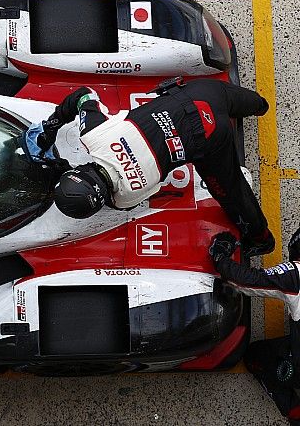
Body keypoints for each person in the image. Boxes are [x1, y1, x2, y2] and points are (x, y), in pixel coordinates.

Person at [26, 77, 274, 257]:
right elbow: (83, 94)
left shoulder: (126, 197)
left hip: (209, 137)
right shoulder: (94, 134)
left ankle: (262, 240)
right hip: (197, 94)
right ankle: (261, 105)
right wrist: (50, 127)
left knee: (231, 192)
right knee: (231, 98)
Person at [208, 229, 300, 424]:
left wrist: (220, 257)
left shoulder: (296, 275)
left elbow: (245, 281)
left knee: (255, 356)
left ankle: (295, 411)